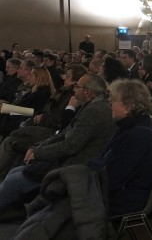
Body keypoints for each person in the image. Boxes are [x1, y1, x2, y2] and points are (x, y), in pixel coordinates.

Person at [0, 73, 117, 214]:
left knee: (15, 180)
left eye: (77, 86)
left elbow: (70, 146)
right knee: (15, 171)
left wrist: (38, 153)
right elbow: (64, 133)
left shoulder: (96, 110)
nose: (74, 89)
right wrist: (37, 148)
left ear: (87, 92)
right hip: (69, 159)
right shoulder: (92, 106)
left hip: (76, 166)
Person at [88, 79, 152, 216]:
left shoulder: (138, 135)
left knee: (64, 205)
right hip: (122, 192)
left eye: (113, 101)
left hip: (125, 199)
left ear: (128, 107)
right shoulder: (131, 128)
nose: (110, 104)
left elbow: (112, 178)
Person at [0, 65, 86, 180]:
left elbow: (60, 121)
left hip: (47, 129)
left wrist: (42, 118)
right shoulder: (58, 92)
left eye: (68, 76)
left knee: (11, 140)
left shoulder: (62, 95)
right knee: (14, 137)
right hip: (36, 123)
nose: (64, 78)